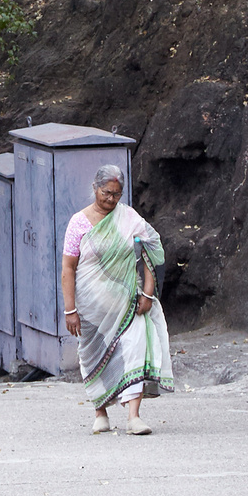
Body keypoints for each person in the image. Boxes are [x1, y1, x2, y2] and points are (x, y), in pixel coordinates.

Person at [61, 164, 173, 433]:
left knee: (135, 347)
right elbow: (68, 268)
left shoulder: (128, 218)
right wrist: (70, 310)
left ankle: (134, 417)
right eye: (106, 193)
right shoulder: (78, 223)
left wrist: (147, 293)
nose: (111, 199)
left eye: (116, 194)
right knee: (93, 356)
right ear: (95, 189)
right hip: (92, 308)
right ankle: (100, 411)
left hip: (127, 304)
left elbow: (150, 251)